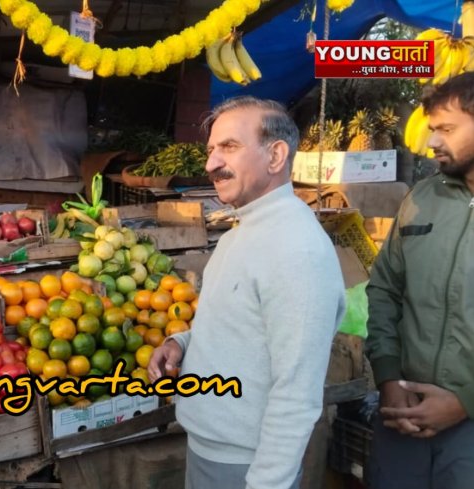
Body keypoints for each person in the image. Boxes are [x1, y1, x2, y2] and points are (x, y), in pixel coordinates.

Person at [148, 96, 346, 489]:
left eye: (229, 148)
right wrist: (183, 343)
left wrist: (267, 483)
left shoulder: (297, 250)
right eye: (211, 150)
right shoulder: (242, 233)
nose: (211, 164)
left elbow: (296, 392)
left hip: (246, 465)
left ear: (275, 156)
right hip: (210, 449)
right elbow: (242, 327)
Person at [365, 71, 474, 489]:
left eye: (446, 129)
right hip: (401, 415)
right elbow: (385, 290)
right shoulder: (421, 197)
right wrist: (388, 378)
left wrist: (465, 401)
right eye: (432, 130)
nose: (432, 142)